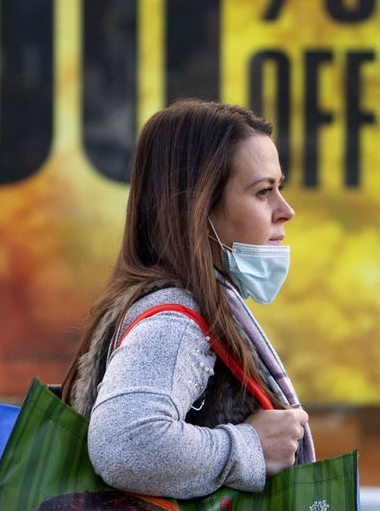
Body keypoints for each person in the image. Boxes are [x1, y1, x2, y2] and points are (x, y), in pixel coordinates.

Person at [61, 99, 313, 499]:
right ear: (199, 209)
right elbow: (124, 445)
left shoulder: (159, 304)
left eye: (278, 188)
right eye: (264, 191)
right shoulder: (174, 322)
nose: (285, 210)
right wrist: (248, 446)